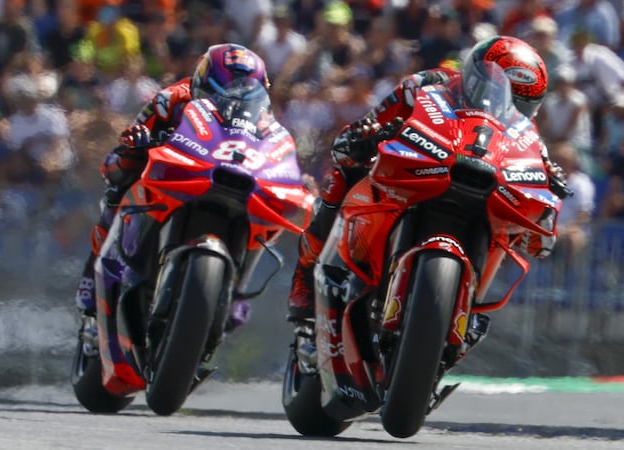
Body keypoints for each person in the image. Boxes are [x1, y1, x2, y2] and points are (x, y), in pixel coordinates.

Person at [287, 35, 570, 326]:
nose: (510, 107)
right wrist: (367, 135)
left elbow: (542, 227)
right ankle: (305, 279)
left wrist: (550, 190)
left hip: (481, 188)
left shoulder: (527, 130)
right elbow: (360, 131)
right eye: (501, 91)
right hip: (418, 171)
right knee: (344, 172)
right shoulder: (425, 84)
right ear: (475, 76)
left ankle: (467, 312)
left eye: (522, 104)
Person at [73, 43, 270, 330]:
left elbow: (277, 154)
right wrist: (135, 149)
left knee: (267, 213)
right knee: (120, 183)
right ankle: (94, 271)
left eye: (245, 88)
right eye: (227, 86)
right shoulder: (170, 100)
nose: (235, 96)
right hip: (174, 176)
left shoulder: (266, 121)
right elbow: (117, 156)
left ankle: (237, 287)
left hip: (228, 180)